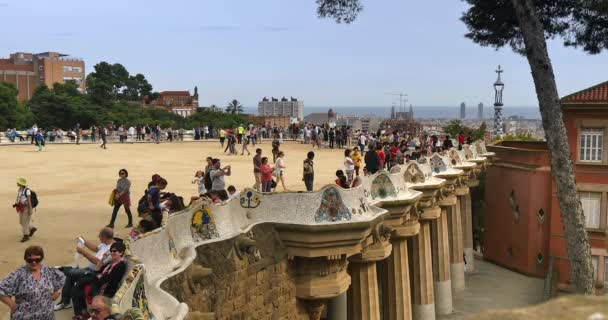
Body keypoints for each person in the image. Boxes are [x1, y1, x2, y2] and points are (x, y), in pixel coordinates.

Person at [54, 228, 115, 311]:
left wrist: (84, 253)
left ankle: (59, 269)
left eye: (100, 236)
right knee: (70, 276)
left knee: (70, 272)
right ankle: (65, 302)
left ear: (105, 237)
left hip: (93, 273)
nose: (99, 238)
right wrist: (84, 241)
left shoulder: (112, 249)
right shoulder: (105, 243)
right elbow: (96, 248)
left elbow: (98, 262)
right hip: (89, 269)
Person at [0, 246, 65, 320]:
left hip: (47, 316)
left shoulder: (47, 270)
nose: (34, 263)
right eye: (30, 260)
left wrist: (58, 291)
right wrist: (12, 305)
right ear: (25, 259)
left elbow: (62, 278)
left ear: (42, 259)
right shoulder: (19, 274)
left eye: (37, 260)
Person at [71, 242, 127, 319]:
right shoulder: (111, 263)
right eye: (111, 251)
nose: (112, 253)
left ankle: (81, 314)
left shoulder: (120, 265)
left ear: (121, 252)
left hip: (105, 291)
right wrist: (102, 260)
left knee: (78, 287)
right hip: (99, 285)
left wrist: (96, 279)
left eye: (114, 251)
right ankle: (82, 313)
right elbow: (97, 271)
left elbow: (107, 279)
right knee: (77, 286)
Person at [13, 178, 37, 242]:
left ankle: (26, 236)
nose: (17, 183)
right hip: (21, 207)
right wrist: (16, 203)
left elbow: (29, 201)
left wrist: (30, 209)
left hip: (26, 208)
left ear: (21, 183)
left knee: (24, 223)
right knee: (21, 222)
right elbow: (19, 197)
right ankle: (32, 228)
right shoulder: (20, 189)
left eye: (18, 182)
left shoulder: (27, 191)